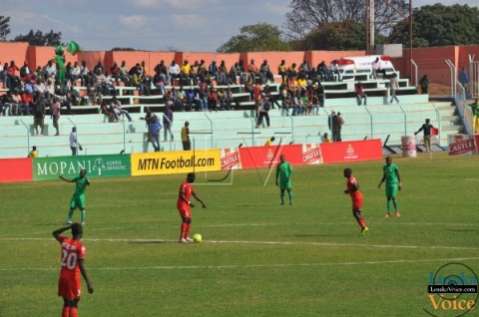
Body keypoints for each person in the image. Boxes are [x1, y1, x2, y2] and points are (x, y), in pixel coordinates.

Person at [53, 223, 93, 317]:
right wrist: (89, 282)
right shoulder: (80, 247)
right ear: (81, 233)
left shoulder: (65, 241)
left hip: (63, 276)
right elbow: (81, 266)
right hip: (73, 278)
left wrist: (67, 227)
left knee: (66, 303)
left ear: (71, 231)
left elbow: (54, 233)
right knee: (74, 303)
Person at [177, 173, 206, 243]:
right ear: (188, 177)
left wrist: (201, 202)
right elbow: (181, 195)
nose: (194, 179)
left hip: (186, 205)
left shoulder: (190, 186)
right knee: (185, 219)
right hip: (182, 204)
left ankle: (186, 237)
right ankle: (181, 238)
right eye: (193, 178)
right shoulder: (183, 185)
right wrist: (189, 202)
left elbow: (195, 195)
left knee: (189, 220)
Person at [343, 168, 368, 234]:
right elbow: (355, 186)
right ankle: (363, 226)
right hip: (357, 197)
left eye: (344, 173)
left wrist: (350, 190)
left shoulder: (350, 180)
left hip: (357, 198)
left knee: (356, 213)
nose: (343, 174)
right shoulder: (352, 178)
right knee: (357, 213)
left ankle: (364, 226)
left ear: (348, 173)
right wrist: (348, 191)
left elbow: (356, 187)